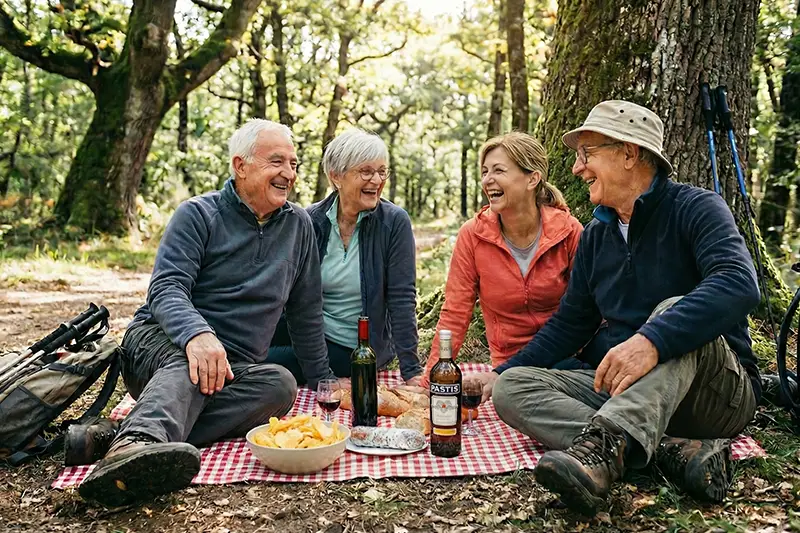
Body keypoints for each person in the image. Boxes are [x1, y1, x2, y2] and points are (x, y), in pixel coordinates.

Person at [487, 101, 761, 514]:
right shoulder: (597, 235)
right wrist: (501, 372)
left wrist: (652, 340)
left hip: (712, 394)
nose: (578, 168)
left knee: (674, 307)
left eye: (587, 154)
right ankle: (665, 449)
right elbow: (571, 324)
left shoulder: (697, 208)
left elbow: (739, 283)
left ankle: (602, 452)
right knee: (514, 388)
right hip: (628, 393)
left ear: (629, 154)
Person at [78, 119, 335, 507]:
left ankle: (123, 435)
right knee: (194, 363)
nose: (289, 173)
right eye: (277, 161)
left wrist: (324, 379)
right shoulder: (198, 214)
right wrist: (198, 336)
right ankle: (132, 446)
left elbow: (306, 311)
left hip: (233, 368)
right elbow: (166, 288)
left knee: (280, 385)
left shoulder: (299, 226)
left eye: (294, 164)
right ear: (240, 165)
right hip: (161, 343)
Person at [420, 132, 583, 388]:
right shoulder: (472, 235)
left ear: (533, 179)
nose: (488, 180)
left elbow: (589, 308)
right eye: (485, 172)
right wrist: (430, 378)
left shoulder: (569, 231)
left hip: (568, 363)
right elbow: (455, 313)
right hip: (509, 371)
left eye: (498, 170)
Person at [268, 128, 422, 385]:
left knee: (262, 362)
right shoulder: (311, 220)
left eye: (382, 171)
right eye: (366, 172)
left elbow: (402, 299)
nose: (376, 180)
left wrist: (411, 371)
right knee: (244, 347)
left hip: (353, 346)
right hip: (309, 332)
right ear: (336, 176)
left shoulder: (394, 222)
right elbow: (290, 296)